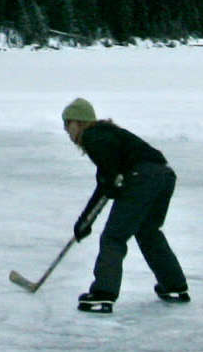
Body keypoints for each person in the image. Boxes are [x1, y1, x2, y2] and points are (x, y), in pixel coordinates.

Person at [62, 97, 187, 313]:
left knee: (113, 237)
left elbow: (108, 181)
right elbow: (106, 181)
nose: (67, 131)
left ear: (80, 121)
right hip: (164, 175)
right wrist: (85, 221)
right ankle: (174, 286)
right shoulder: (105, 134)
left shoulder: (94, 137)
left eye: (68, 124)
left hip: (144, 177)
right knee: (148, 232)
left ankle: (103, 295)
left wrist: (87, 218)